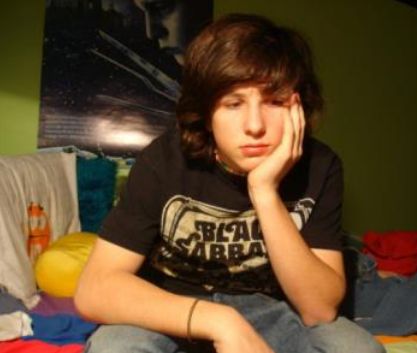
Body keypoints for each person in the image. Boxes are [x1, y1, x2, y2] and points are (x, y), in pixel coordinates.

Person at [74, 13, 385, 353]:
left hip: (270, 309)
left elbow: (319, 309)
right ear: (206, 113)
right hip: (170, 304)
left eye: (275, 101)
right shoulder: (164, 160)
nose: (255, 125)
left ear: (299, 108)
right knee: (116, 347)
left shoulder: (321, 167)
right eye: (234, 103)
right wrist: (221, 321)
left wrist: (264, 191)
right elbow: (95, 289)